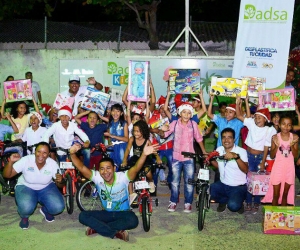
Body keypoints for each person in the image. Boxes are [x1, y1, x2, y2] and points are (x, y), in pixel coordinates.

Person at [69, 142, 159, 241]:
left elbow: (136, 168)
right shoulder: (97, 177)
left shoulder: (123, 177)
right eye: (102, 169)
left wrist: (144, 155)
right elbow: (81, 167)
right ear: (99, 170)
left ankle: (96, 228)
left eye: (108, 168)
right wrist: (72, 154)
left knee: (133, 221)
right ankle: (115, 233)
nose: (105, 172)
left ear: (114, 168)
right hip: (106, 213)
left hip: (123, 213)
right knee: (83, 216)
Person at [2, 142, 65, 229]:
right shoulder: (26, 160)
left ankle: (45, 210)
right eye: (39, 151)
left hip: (46, 187)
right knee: (26, 207)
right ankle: (25, 217)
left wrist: (60, 181)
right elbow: (7, 175)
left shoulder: (53, 164)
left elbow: (60, 186)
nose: (41, 155)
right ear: (35, 151)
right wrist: (10, 162)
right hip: (26, 186)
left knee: (58, 207)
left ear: (49, 154)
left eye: (45, 153)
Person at [161, 103, 207, 213]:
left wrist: (204, 152)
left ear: (191, 115)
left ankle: (188, 203)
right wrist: (162, 130)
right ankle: (173, 202)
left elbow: (199, 139)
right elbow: (164, 135)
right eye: (184, 112)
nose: (186, 115)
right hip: (176, 157)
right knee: (174, 182)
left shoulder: (193, 124)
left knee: (189, 182)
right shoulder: (175, 123)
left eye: (189, 113)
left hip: (189, 158)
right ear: (180, 113)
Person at [236, 96, 277, 211]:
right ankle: (248, 201)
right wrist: (238, 103)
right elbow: (239, 116)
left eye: (260, 118)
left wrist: (263, 162)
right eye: (256, 117)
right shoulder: (251, 124)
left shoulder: (269, 130)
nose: (257, 119)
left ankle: (257, 201)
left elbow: (266, 147)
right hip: (248, 155)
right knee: (248, 178)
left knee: (259, 180)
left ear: (265, 120)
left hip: (260, 157)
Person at [262, 115, 299, 206]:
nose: (286, 127)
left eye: (289, 125)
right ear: (279, 124)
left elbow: (295, 155)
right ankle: (274, 217)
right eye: (283, 124)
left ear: (291, 126)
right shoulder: (275, 137)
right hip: (278, 168)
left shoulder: (294, 137)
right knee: (276, 194)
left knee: (285, 194)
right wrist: (277, 145)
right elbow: (272, 155)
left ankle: (283, 218)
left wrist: (292, 145)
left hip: (289, 168)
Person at [210, 128, 248, 213]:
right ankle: (223, 201)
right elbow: (218, 166)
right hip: (223, 183)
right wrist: (210, 159)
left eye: (229, 137)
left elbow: (245, 170)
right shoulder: (219, 149)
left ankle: (240, 201)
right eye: (223, 137)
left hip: (238, 186)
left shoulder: (241, 151)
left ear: (234, 139)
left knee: (233, 206)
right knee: (211, 189)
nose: (226, 140)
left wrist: (236, 157)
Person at [122, 120, 161, 204]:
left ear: (143, 131)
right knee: (130, 175)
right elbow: (128, 149)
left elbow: (153, 150)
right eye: (134, 131)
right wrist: (124, 160)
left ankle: (150, 182)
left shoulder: (147, 141)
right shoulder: (132, 139)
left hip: (145, 160)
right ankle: (131, 193)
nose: (135, 133)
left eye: (137, 131)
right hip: (135, 159)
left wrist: (158, 159)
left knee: (148, 173)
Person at [104, 104, 128, 168]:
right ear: (111, 112)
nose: (115, 113)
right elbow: (109, 138)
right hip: (112, 148)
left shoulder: (124, 123)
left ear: (121, 113)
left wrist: (113, 136)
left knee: (122, 166)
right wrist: (109, 144)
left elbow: (126, 139)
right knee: (111, 166)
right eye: (113, 111)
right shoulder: (109, 124)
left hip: (121, 147)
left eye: (118, 111)